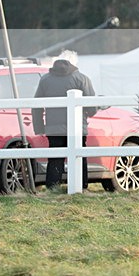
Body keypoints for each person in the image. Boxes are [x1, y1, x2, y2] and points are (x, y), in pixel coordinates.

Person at [32, 53, 98, 191]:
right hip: (77, 128)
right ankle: (81, 187)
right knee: (79, 158)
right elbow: (92, 106)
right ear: (73, 63)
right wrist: (90, 112)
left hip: (53, 128)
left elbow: (36, 105)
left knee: (55, 159)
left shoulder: (45, 80)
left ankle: (53, 187)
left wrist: (39, 127)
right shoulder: (82, 79)